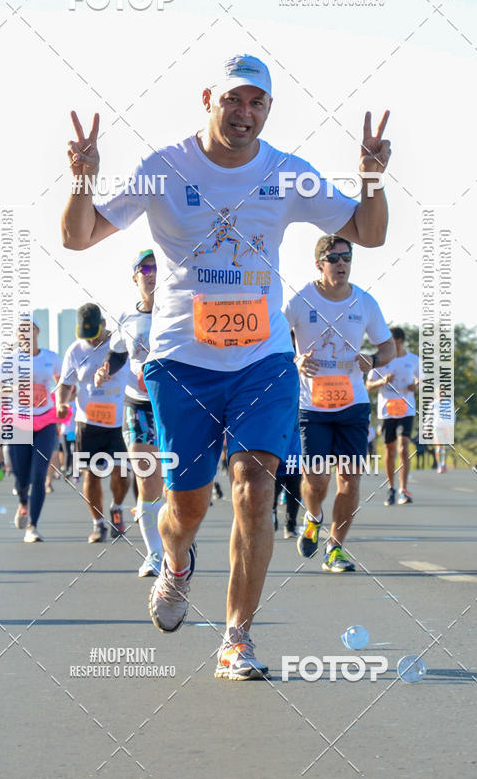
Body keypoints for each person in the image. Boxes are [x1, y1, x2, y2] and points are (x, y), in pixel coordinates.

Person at [62, 52, 390, 679]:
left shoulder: (287, 173)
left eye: (258, 102)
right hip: (182, 363)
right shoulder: (163, 169)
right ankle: (177, 561)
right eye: (234, 99)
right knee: (185, 508)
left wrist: (371, 178)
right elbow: (79, 237)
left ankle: (237, 636)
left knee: (254, 488)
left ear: (268, 109)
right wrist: (83, 178)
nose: (245, 113)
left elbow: (367, 233)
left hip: (263, 362)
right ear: (209, 98)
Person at [285, 235, 394, 572]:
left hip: (353, 405)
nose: (342, 264)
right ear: (320, 263)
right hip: (313, 407)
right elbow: (273, 338)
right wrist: (296, 359)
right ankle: (313, 516)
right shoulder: (301, 300)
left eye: (347, 257)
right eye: (334, 258)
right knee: (317, 481)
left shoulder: (364, 302)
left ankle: (335, 548)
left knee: (350, 480)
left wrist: (373, 360)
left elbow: (388, 348)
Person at [57, 303, 131, 543]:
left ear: (103, 325)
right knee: (91, 475)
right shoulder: (75, 351)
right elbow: (67, 384)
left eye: (93, 334)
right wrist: (62, 403)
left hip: (118, 422)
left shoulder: (118, 345)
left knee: (121, 473)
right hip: (87, 422)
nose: (89, 340)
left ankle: (117, 508)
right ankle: (98, 523)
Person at [117, 250, 165, 577]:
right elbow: (116, 356)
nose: (152, 273)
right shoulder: (124, 319)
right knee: (147, 479)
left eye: (157, 267)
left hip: (173, 405)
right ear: (135, 276)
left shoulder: (179, 312)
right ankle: (154, 555)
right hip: (138, 406)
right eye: (145, 268)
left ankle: (176, 538)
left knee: (174, 484)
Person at [0, 316, 61, 542]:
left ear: (37, 331)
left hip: (45, 419)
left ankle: (32, 526)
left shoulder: (51, 357)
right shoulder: (9, 361)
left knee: (39, 475)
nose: (25, 332)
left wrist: (61, 401)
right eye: (20, 329)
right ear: (16, 335)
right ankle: (23, 502)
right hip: (19, 421)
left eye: (29, 328)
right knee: (21, 476)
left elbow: (62, 383)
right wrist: (17, 387)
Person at [366, 326, 420, 505]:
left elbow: (421, 381)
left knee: (403, 446)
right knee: (389, 449)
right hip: (387, 410)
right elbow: (369, 385)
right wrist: (383, 381)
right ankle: (391, 487)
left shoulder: (413, 360)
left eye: (392, 341)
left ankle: (404, 489)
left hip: (406, 409)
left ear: (400, 341)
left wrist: (415, 387)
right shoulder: (381, 359)